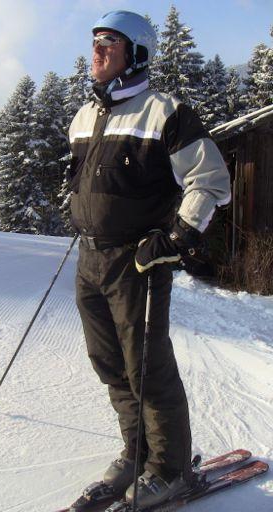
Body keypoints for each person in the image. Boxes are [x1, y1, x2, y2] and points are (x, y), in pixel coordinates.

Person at [67, 10, 231, 510]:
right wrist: (71, 197)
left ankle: (171, 468)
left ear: (136, 54)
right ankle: (137, 452)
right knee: (109, 363)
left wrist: (176, 238)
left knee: (147, 368)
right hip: (89, 260)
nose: (96, 52)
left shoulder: (166, 111)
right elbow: (76, 174)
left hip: (137, 263)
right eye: (94, 43)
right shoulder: (84, 114)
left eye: (108, 44)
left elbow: (211, 179)